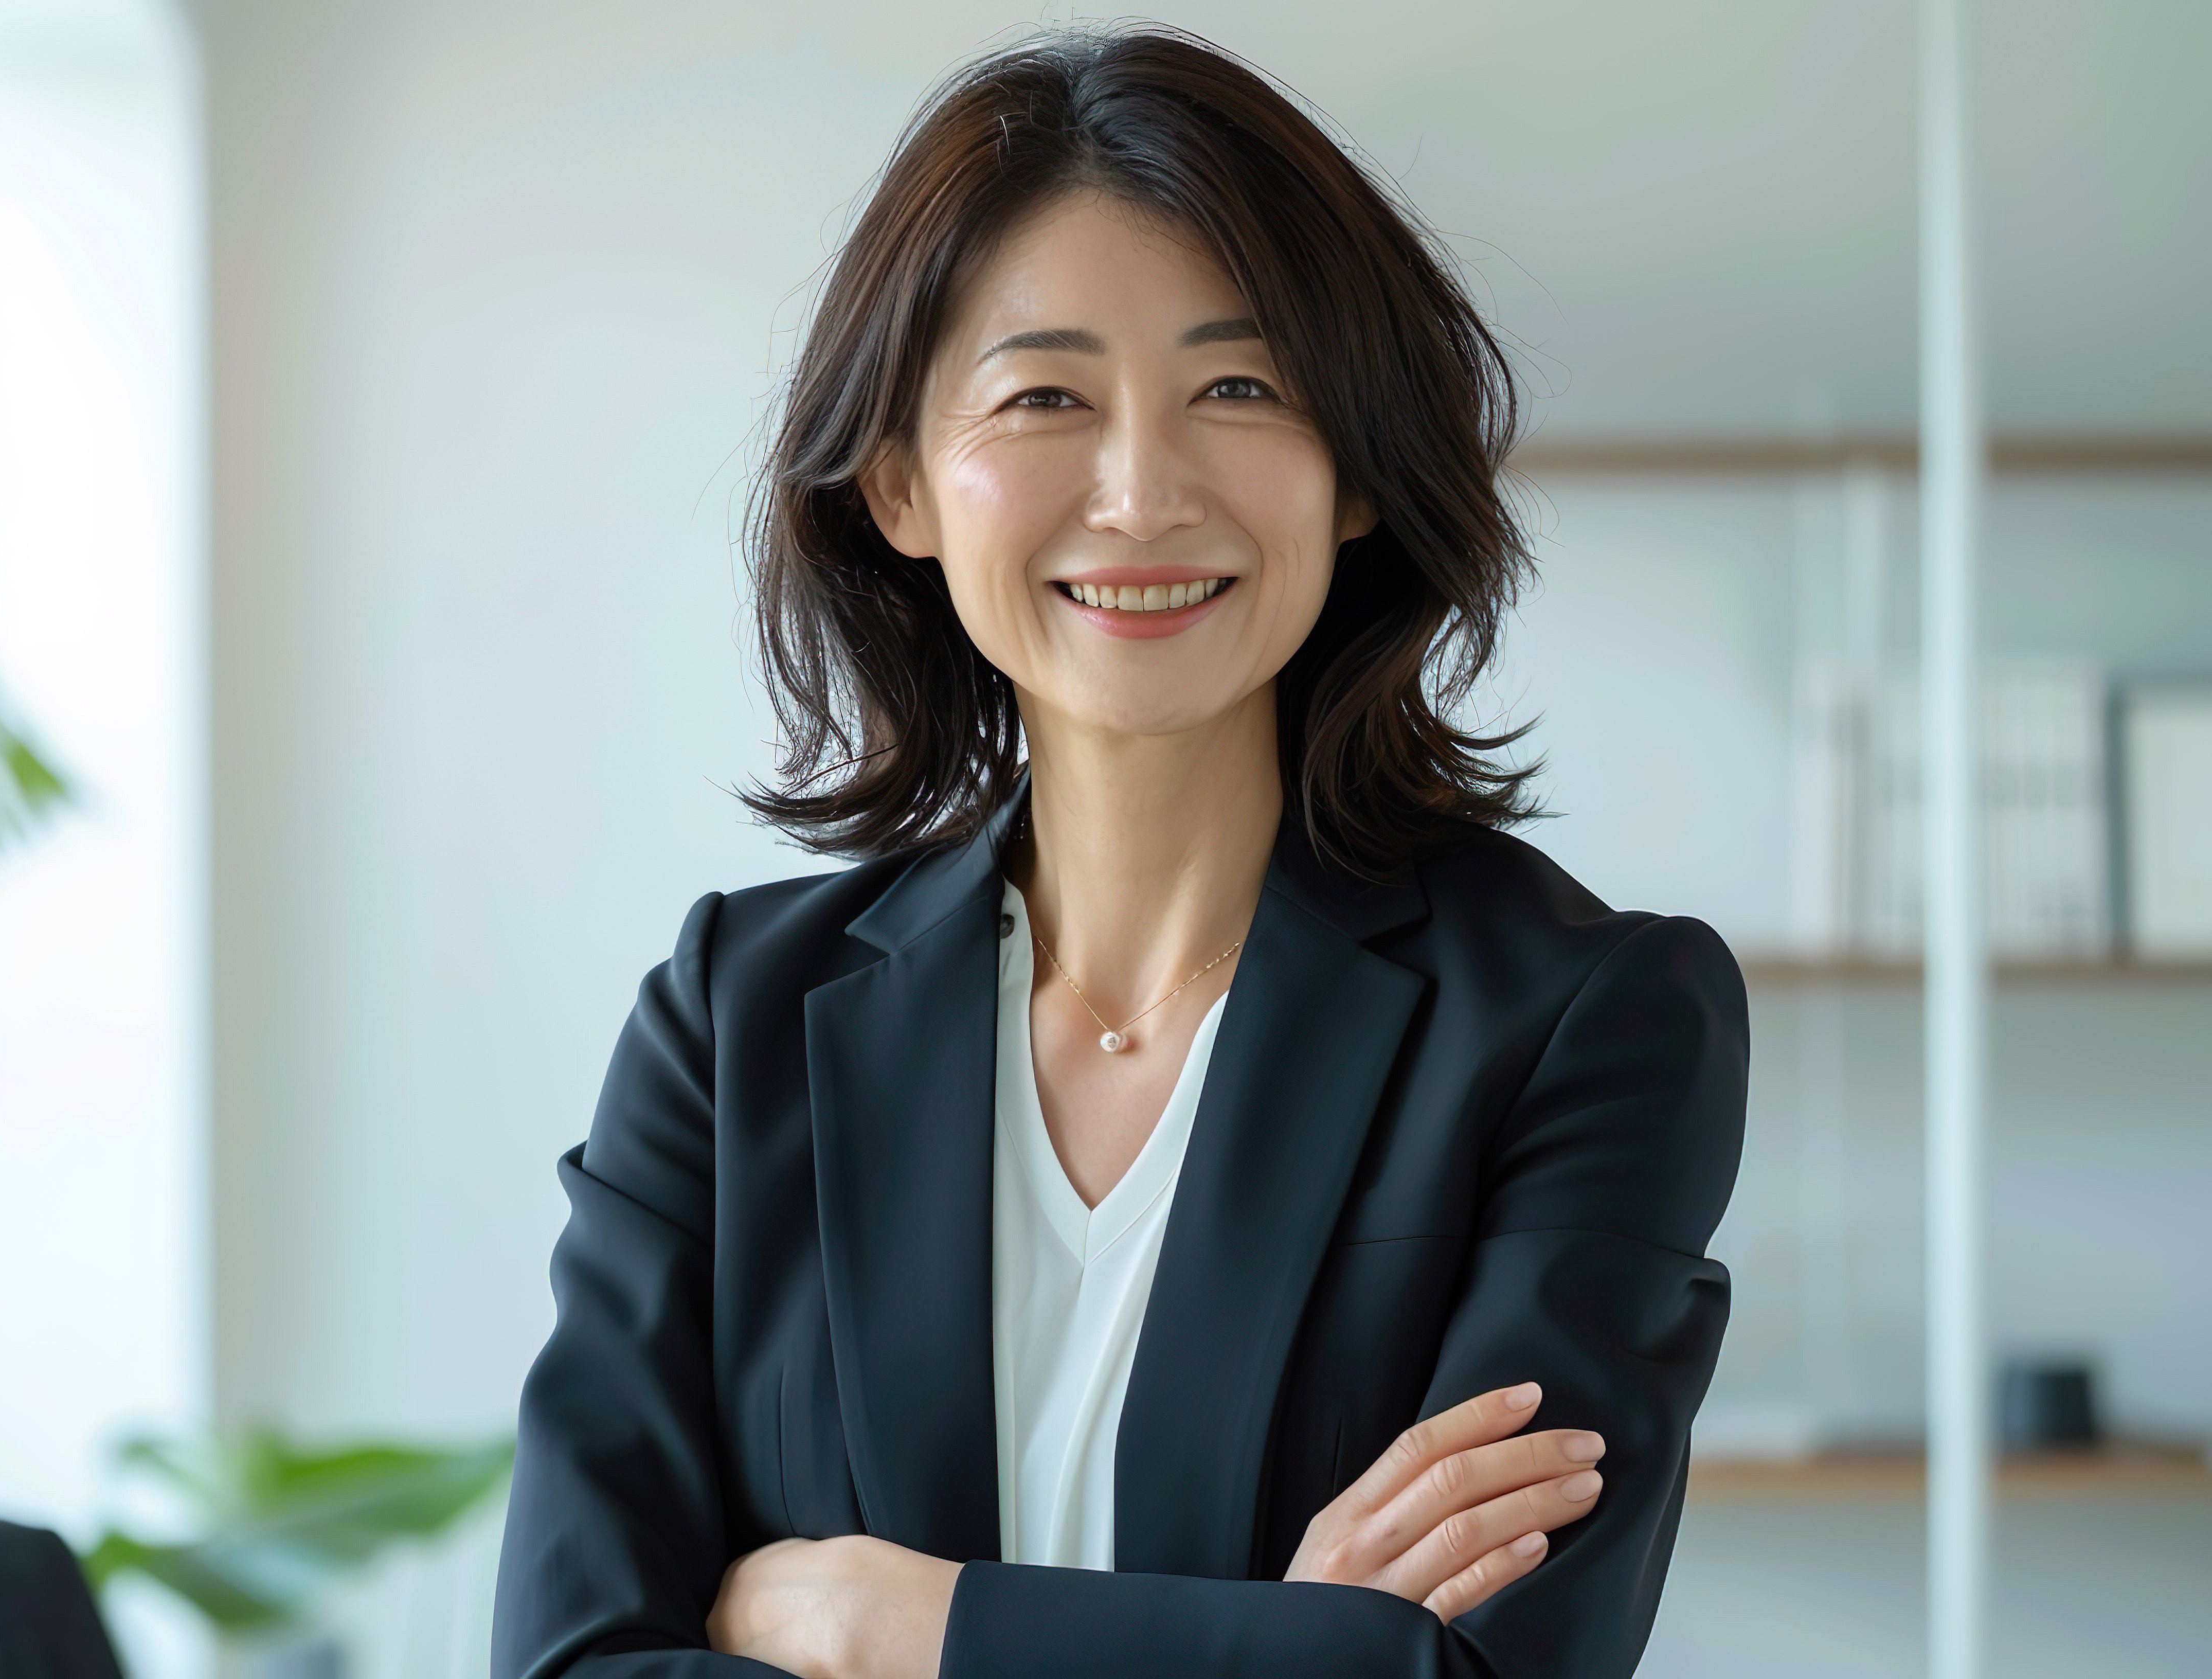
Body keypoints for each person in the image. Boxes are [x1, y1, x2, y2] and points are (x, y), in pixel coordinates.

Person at [492, 25, 1745, 1679]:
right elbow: (572, 1662)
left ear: (1357, 468)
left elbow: (1479, 1675)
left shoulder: (1590, 1021)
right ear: (901, 486)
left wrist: (909, 1628)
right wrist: (1277, 1644)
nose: (1144, 492)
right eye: (1045, 398)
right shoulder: (730, 1024)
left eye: (1239, 387)